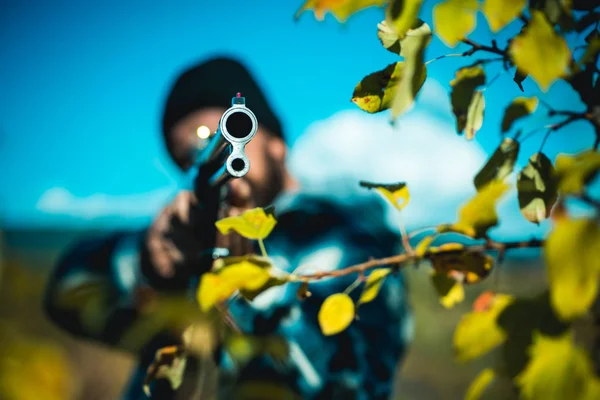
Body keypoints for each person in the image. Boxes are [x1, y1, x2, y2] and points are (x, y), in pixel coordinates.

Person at [44, 56, 413, 400]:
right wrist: (151, 268)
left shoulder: (345, 237)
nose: (204, 153)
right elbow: (65, 294)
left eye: (225, 132)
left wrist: (235, 291)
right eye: (186, 157)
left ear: (277, 144)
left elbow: (339, 379)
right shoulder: (180, 239)